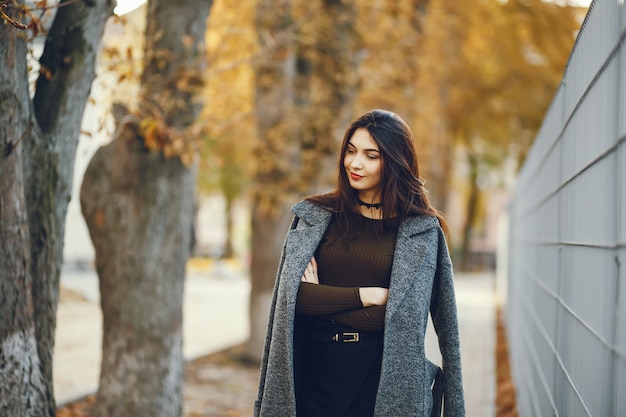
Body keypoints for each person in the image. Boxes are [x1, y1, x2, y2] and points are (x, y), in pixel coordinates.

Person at [253, 109, 466, 417]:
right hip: (313, 379)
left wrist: (325, 303)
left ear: (394, 161)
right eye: (351, 151)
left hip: (384, 383)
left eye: (371, 155)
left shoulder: (422, 231)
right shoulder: (313, 217)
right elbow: (293, 300)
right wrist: (371, 296)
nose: (355, 163)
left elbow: (430, 324)